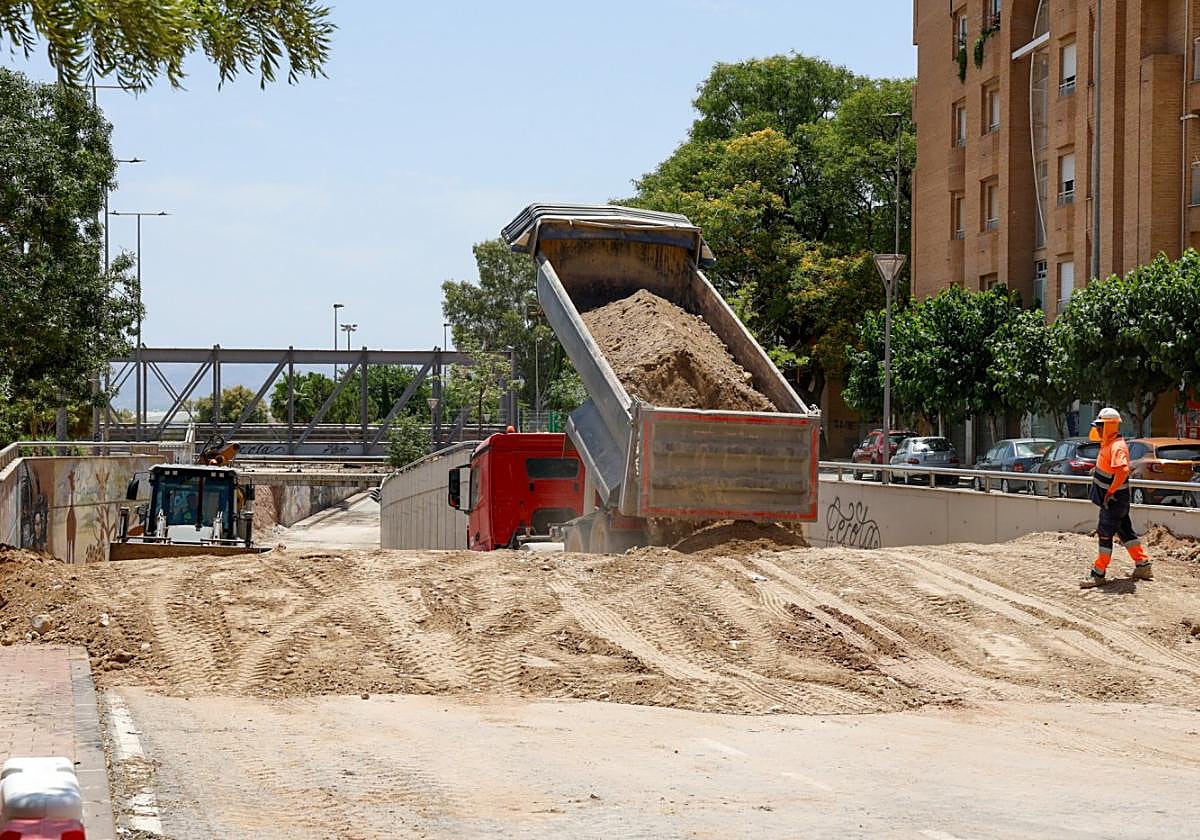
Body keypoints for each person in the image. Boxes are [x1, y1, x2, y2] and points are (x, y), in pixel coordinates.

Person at [1080, 407, 1152, 588]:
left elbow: (1122, 470)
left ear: (1109, 426)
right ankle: (1142, 565)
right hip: (1117, 500)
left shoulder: (1116, 446)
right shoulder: (1110, 444)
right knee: (1125, 531)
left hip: (1113, 500)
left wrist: (1110, 492)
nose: (1097, 429)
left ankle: (1098, 573)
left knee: (1105, 534)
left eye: (1100, 426)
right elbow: (1112, 469)